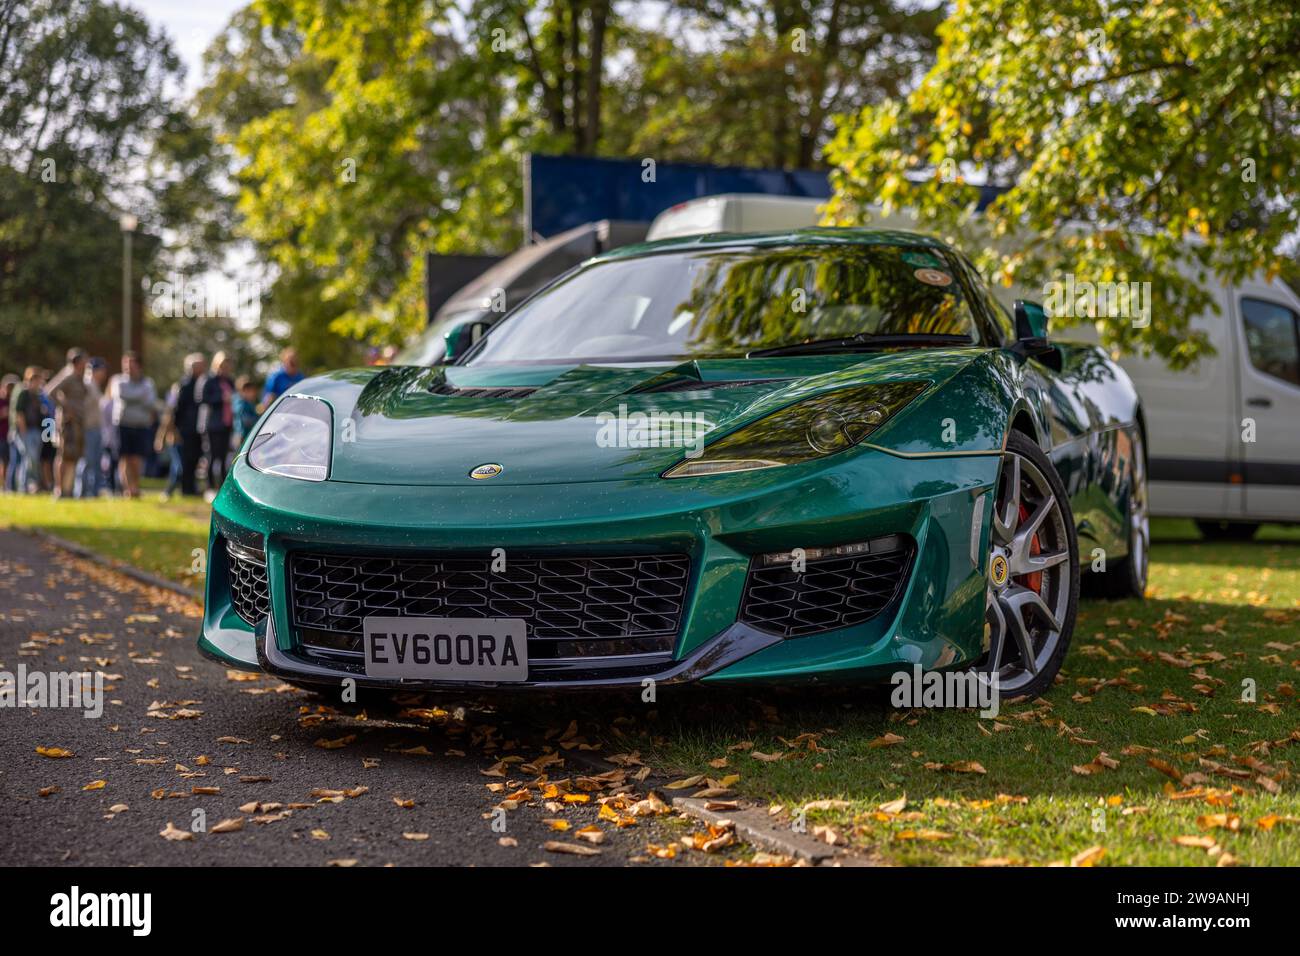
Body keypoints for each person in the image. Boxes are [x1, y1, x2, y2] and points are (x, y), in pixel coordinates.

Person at [108, 351, 157, 499]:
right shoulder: (118, 381)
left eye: (131, 364)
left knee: (136, 459)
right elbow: (121, 395)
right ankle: (128, 489)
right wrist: (140, 396)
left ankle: (135, 487)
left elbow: (150, 402)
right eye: (126, 364)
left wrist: (134, 397)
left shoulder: (148, 383)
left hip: (141, 426)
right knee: (125, 458)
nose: (128, 367)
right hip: (123, 424)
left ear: (139, 366)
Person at [46, 348, 88, 498]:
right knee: (63, 455)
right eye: (84, 361)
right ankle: (59, 489)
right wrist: (65, 408)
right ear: (77, 362)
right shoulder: (68, 375)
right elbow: (50, 391)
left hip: (78, 422)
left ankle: (68, 489)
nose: (86, 364)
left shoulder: (80, 377)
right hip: (68, 423)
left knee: (73, 456)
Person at [200, 351, 235, 494]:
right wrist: (221, 398)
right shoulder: (210, 380)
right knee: (213, 456)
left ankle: (221, 486)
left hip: (227, 424)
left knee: (224, 456)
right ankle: (209, 486)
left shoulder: (230, 381)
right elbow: (204, 399)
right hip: (214, 424)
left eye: (227, 366)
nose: (224, 368)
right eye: (222, 365)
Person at [172, 353, 205, 496]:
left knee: (196, 458)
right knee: (187, 459)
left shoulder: (204, 383)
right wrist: (176, 428)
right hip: (187, 428)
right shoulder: (184, 385)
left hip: (200, 427)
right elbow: (177, 409)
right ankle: (186, 488)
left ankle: (191, 487)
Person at [77, 357, 109, 497]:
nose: (104, 373)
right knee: (87, 461)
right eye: (102, 370)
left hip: (96, 428)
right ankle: (82, 492)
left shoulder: (95, 385)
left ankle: (93, 491)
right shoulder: (87, 384)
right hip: (87, 428)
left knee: (96, 463)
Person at [13, 367, 46, 492]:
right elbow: (19, 413)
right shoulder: (23, 393)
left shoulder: (38, 395)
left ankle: (27, 486)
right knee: (29, 457)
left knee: (33, 459)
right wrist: (23, 431)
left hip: (36, 431)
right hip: (26, 431)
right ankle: (24, 485)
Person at [259, 347, 303, 411]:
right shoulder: (276, 377)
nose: (293, 363)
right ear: (284, 361)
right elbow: (267, 397)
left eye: (295, 361)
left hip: (297, 410)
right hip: (280, 411)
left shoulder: (301, 377)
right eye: (290, 362)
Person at [0, 373, 17, 491]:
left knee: (11, 461)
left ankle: (10, 485)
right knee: (4, 462)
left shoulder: (14, 401)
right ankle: (3, 485)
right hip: (1, 436)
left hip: (12, 436)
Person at [233, 376, 261, 447]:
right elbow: (245, 420)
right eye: (248, 391)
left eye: (252, 391)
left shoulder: (250, 403)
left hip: (248, 435)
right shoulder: (241, 404)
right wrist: (258, 420)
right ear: (241, 392)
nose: (251, 393)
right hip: (241, 436)